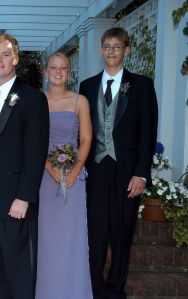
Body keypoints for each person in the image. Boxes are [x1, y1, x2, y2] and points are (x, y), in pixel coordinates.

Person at [79, 27, 158, 299]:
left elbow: (148, 134)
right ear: (101, 50)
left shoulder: (142, 85)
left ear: (126, 50)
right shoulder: (87, 86)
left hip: (127, 172)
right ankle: (95, 289)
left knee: (123, 233)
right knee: (96, 233)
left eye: (117, 46)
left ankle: (115, 290)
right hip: (96, 169)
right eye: (107, 46)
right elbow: (81, 132)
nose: (111, 51)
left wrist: (141, 174)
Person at [0, 34, 49, 299]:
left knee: (20, 273)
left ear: (15, 58)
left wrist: (24, 197)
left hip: (15, 200)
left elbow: (36, 152)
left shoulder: (32, 98)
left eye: (5, 55)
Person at [35, 52, 93, 298]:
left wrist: (74, 172)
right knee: (46, 240)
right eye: (53, 67)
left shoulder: (80, 101)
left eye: (63, 68)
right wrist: (50, 168)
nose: (58, 71)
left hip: (73, 177)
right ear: (46, 72)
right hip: (44, 177)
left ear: (70, 72)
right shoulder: (36, 100)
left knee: (72, 239)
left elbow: (87, 138)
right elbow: (33, 140)